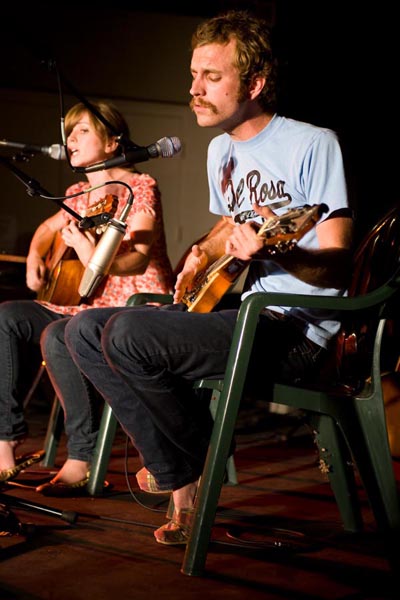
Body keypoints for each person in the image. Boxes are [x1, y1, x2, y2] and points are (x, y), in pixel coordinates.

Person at [62, 9, 353, 544]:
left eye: (211, 77)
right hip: (240, 311)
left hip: (297, 331)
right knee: (78, 331)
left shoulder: (314, 143)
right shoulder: (221, 150)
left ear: (255, 83)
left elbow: (337, 255)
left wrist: (282, 256)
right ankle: (188, 465)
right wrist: (202, 251)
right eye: (193, 75)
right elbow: (229, 225)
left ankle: (191, 467)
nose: (194, 89)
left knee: (128, 335)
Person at [0, 100, 174, 490]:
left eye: (82, 131)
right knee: (7, 316)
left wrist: (88, 253)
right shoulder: (78, 193)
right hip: (82, 302)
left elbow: (137, 261)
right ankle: (6, 438)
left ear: (112, 142)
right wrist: (33, 258)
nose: (70, 139)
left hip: (132, 305)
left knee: (60, 335)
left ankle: (80, 458)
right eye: (69, 132)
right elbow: (47, 229)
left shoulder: (139, 186)